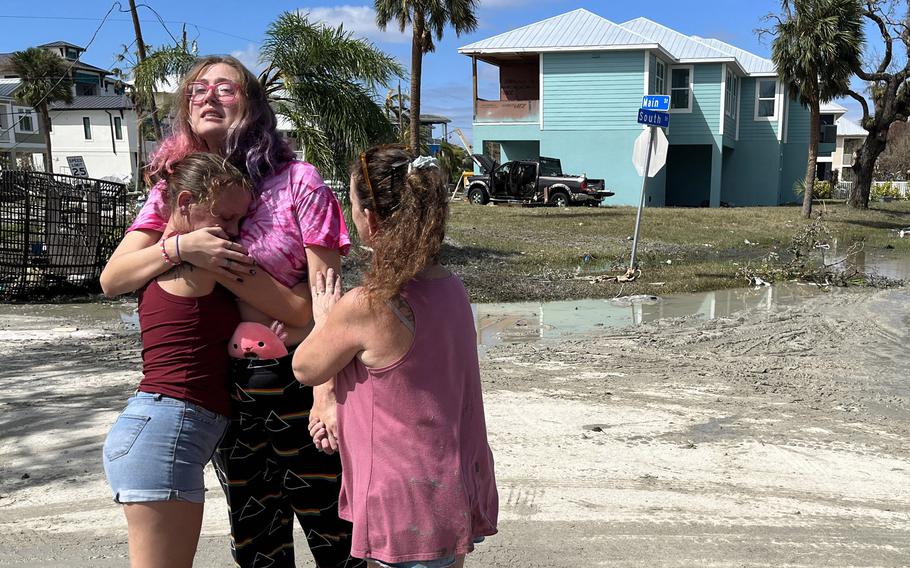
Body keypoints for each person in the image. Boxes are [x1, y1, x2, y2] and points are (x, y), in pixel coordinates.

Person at [99, 55, 360, 568]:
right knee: (258, 543)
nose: (208, 96)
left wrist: (326, 394)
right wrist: (184, 248)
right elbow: (114, 277)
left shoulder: (297, 182)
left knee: (337, 534)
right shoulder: (174, 189)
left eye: (225, 87)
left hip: (301, 380)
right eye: (196, 90)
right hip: (231, 389)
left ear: (254, 104)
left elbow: (325, 301)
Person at [291, 144, 499, 568]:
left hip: (401, 506)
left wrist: (325, 317)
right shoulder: (453, 289)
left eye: (351, 204)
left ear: (369, 220)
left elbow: (305, 366)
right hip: (448, 491)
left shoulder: (368, 303)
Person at [102, 153, 253, 568]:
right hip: (167, 431)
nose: (233, 232)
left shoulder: (166, 256)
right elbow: (108, 280)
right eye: (225, 218)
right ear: (184, 202)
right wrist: (184, 245)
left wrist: (181, 244)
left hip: (160, 429)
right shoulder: (202, 260)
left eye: (239, 221)